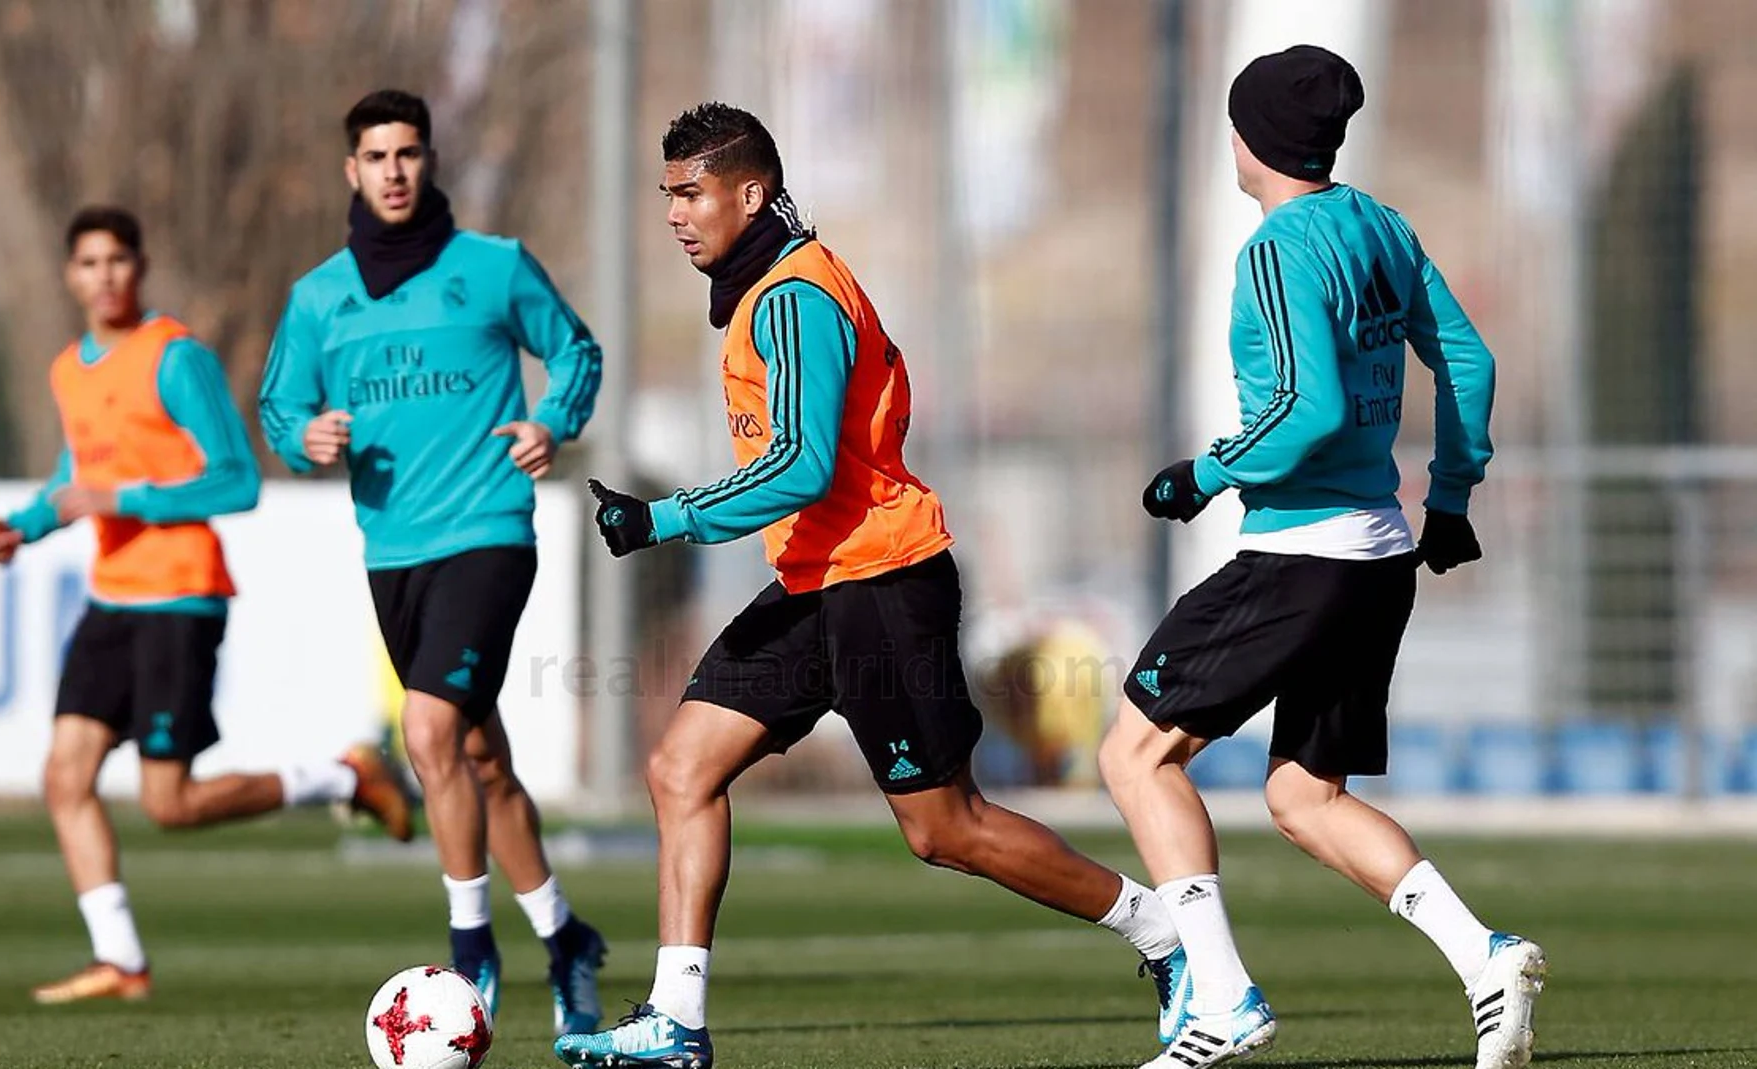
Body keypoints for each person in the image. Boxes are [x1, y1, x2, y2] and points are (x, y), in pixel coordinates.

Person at [558, 102, 1189, 1069]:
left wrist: (662, 517)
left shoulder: (796, 295)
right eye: (669, 196)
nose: (677, 215)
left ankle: (1166, 937)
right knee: (680, 768)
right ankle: (675, 1020)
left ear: (750, 193)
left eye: (692, 194)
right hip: (819, 578)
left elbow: (803, 466)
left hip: (884, 581)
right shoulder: (765, 286)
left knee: (946, 829)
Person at [1102, 46, 1545, 1069]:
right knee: (1305, 797)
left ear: (1246, 138)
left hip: (1299, 557)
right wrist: (1449, 498)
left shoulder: (1275, 247)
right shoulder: (1380, 223)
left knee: (1133, 753)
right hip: (1378, 556)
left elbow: (1312, 409)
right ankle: (1484, 958)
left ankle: (1221, 998)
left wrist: (1201, 475)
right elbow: (1466, 359)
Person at [0, 206, 412, 1005]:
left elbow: (235, 480)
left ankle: (340, 776)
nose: (104, 275)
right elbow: (72, 475)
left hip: (180, 598)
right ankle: (120, 959)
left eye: (118, 259)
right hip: (111, 599)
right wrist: (25, 526)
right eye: (88, 263)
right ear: (70, 276)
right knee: (64, 776)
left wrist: (123, 496)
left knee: (168, 802)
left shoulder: (175, 358)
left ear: (140, 267)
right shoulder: (67, 369)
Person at [257, 89, 607, 1036]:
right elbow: (279, 409)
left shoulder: (492, 269)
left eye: (409, 152)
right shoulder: (319, 298)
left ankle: (470, 952)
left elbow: (574, 350)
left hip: (489, 533)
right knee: (481, 761)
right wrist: (308, 436)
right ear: (352, 170)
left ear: (430, 159)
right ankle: (567, 936)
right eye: (377, 156)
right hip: (394, 551)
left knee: (425, 732)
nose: (395, 170)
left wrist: (552, 421)